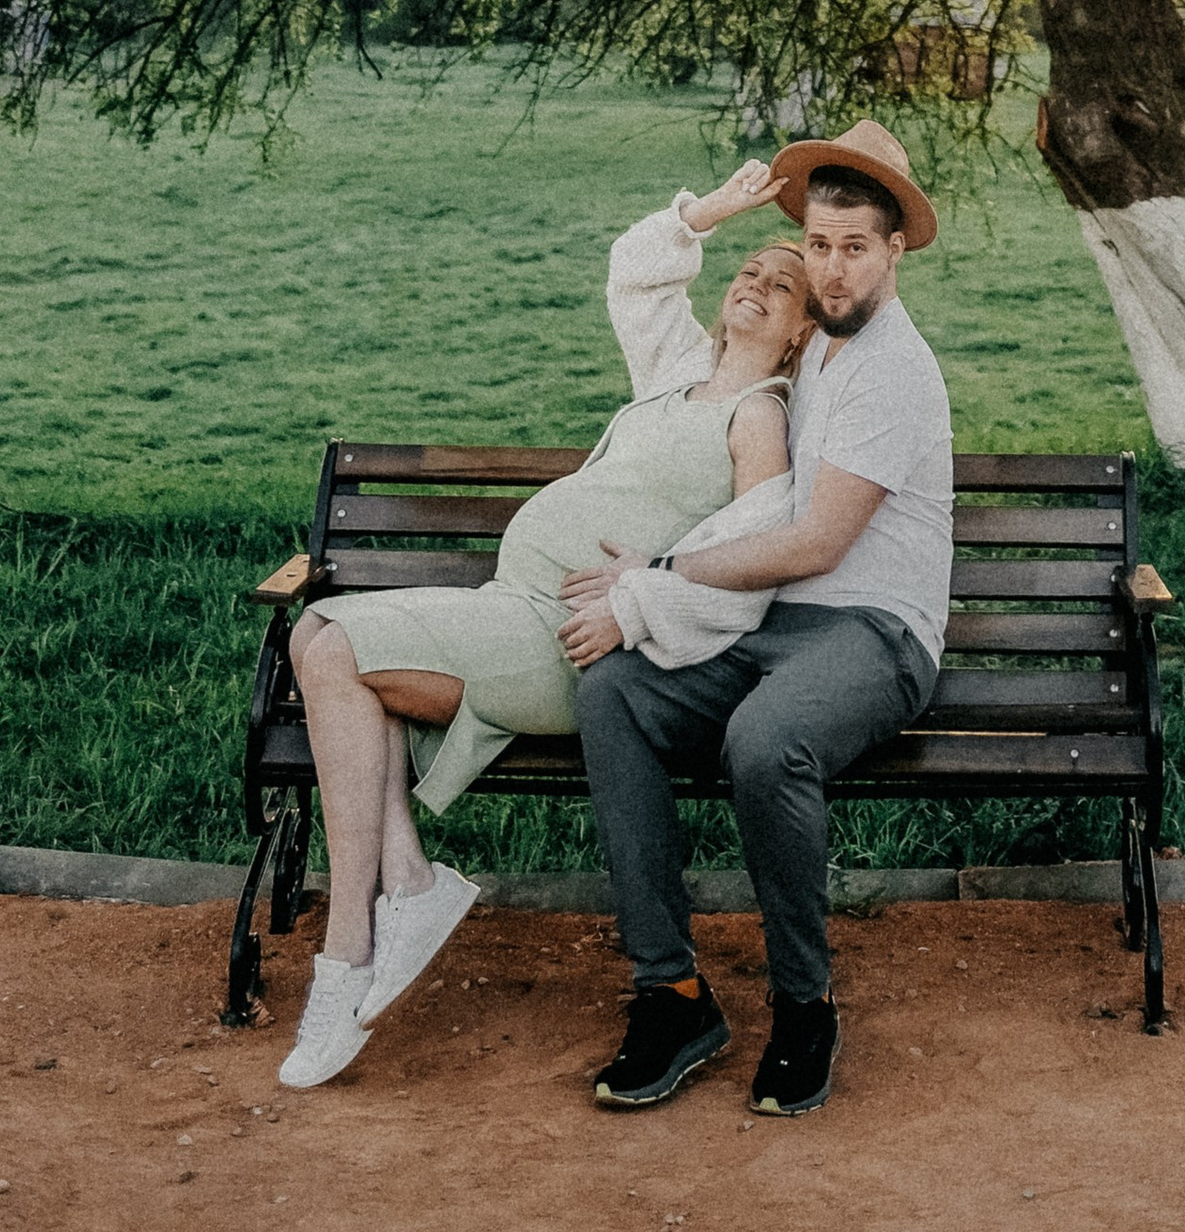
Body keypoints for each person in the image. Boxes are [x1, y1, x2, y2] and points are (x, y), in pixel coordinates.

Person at [275, 159, 812, 1093]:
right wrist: (712, 211)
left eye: (784, 286)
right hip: (508, 612)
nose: (758, 287)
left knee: (340, 652)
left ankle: (349, 946)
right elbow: (635, 272)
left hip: (571, 643)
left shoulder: (760, 418)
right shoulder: (676, 375)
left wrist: (637, 598)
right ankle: (406, 880)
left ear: (805, 331)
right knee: (311, 633)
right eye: (751, 272)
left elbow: (753, 556)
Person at [563, 116, 952, 1123]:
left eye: (853, 246)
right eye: (817, 244)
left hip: (876, 633)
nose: (830, 267)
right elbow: (665, 320)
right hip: (771, 630)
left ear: (893, 247)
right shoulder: (807, 349)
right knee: (611, 691)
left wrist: (653, 573)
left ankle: (803, 1005)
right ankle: (672, 992)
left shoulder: (889, 368)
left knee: (765, 739)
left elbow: (818, 541)